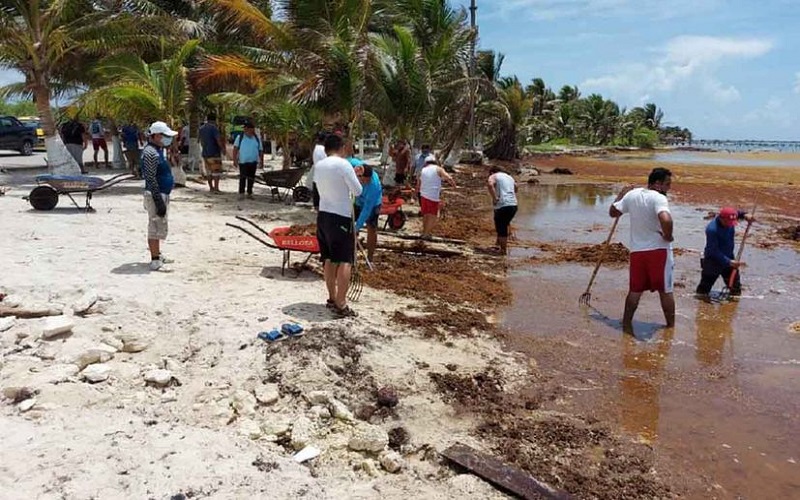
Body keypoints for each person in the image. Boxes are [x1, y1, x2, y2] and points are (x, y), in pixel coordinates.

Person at [609, 167, 675, 334]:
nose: (669, 188)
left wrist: (622, 194)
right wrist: (668, 235)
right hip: (659, 251)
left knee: (635, 291)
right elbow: (666, 219)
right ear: (658, 184)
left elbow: (613, 212)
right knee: (665, 290)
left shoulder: (632, 195)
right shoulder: (659, 198)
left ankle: (626, 324)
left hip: (637, 252)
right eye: (667, 184)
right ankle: (670, 328)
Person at [314, 134, 363, 318]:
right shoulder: (343, 164)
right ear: (342, 147)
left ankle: (332, 297)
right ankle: (341, 303)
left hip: (324, 215)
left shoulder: (319, 165)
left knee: (328, 258)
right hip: (340, 217)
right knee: (345, 260)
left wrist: (351, 175)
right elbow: (357, 191)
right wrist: (353, 175)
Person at [141, 121, 178, 272]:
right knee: (155, 226)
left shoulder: (157, 150)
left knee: (159, 226)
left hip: (162, 193)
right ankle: (155, 261)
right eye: (165, 136)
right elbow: (150, 178)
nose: (168, 139)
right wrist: (158, 200)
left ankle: (158, 254)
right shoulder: (150, 152)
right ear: (156, 136)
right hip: (156, 195)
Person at [696, 207, 755, 297]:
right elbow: (713, 251)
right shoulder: (712, 230)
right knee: (703, 291)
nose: (730, 225)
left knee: (735, 289)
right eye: (728, 223)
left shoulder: (730, 216)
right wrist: (729, 262)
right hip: (713, 261)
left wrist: (745, 215)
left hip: (729, 256)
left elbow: (738, 213)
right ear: (721, 218)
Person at [417, 155, 457, 239]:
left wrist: (416, 193)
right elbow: (448, 177)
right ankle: (426, 234)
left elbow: (418, 184)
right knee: (433, 215)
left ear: (426, 163)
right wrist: (453, 184)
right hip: (433, 195)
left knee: (426, 214)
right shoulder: (438, 169)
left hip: (423, 195)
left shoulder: (422, 170)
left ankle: (424, 232)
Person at [351, 157, 382, 262]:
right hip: (357, 201)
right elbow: (347, 160)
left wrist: (358, 226)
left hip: (373, 205)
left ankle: (370, 257)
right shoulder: (356, 166)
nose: (365, 182)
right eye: (364, 180)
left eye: (367, 180)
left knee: (371, 229)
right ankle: (350, 253)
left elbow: (367, 210)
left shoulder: (373, 186)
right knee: (349, 225)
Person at [487, 166, 518, 255]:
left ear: (492, 172)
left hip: (502, 205)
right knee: (503, 223)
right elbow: (516, 187)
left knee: (501, 228)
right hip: (513, 205)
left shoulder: (494, 176)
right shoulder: (509, 177)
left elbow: (490, 184)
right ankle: (498, 243)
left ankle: (503, 250)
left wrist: (494, 198)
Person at [233, 121, 263, 200]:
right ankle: (241, 193)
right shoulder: (240, 137)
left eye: (247, 128)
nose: (245, 130)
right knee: (243, 177)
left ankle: (249, 193)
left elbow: (260, 150)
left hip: (253, 161)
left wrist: (261, 161)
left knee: (251, 178)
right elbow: (235, 149)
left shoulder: (257, 138)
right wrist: (234, 160)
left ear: (251, 129)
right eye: (244, 128)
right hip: (243, 161)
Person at [199, 114, 225, 193]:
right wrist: (222, 148)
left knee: (209, 171)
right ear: (214, 120)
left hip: (205, 152)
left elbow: (199, 140)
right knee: (216, 171)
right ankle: (216, 188)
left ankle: (211, 188)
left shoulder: (201, 128)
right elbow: (218, 140)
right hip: (214, 152)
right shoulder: (214, 128)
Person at [308, 132, 327, 210]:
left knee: (317, 195)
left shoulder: (316, 148)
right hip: (323, 175)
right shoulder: (322, 149)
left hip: (317, 175)